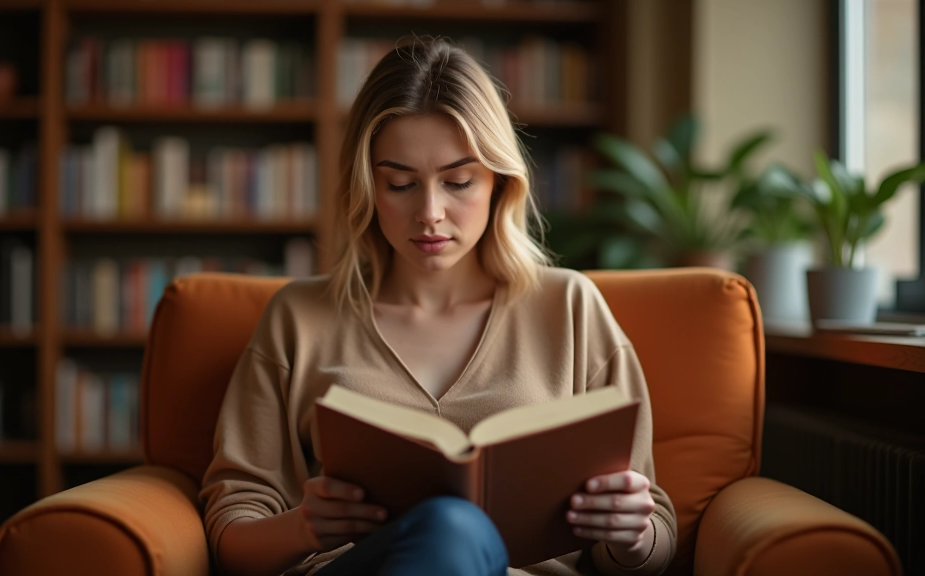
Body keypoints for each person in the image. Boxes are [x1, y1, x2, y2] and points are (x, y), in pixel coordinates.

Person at [199, 37, 677, 576]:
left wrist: (632, 533)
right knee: (448, 529)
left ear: (499, 181)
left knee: (454, 531)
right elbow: (231, 541)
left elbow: (652, 538)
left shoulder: (569, 308)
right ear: (367, 186)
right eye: (400, 183)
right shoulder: (299, 319)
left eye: (458, 181)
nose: (430, 212)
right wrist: (304, 525)